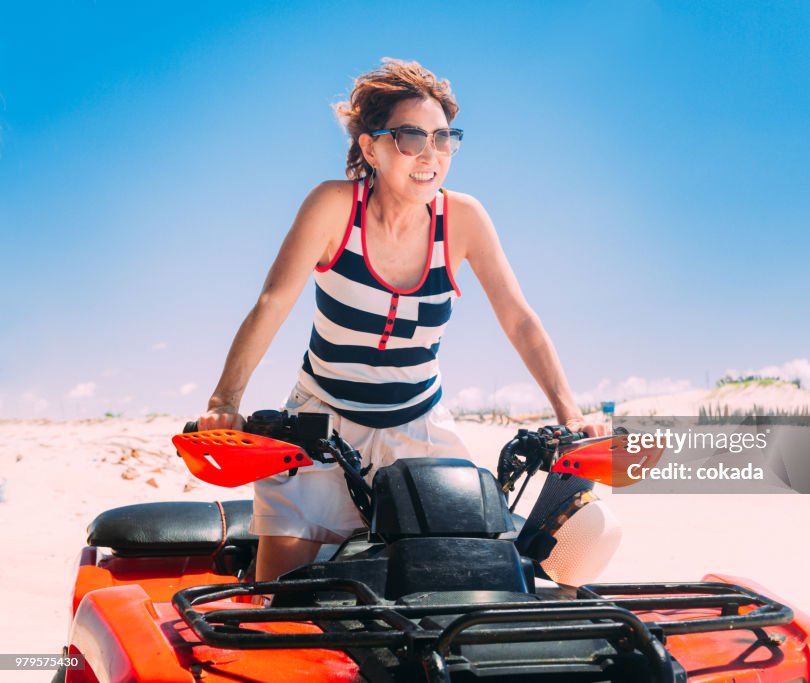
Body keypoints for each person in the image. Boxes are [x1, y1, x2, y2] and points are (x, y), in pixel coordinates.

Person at [198, 59, 613, 582]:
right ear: (370, 147)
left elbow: (518, 318)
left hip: (418, 427)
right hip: (320, 426)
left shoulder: (462, 219)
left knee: (465, 581)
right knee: (277, 598)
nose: (430, 155)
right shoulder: (333, 206)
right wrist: (223, 402)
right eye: (410, 137)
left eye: (442, 138)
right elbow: (272, 304)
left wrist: (570, 414)